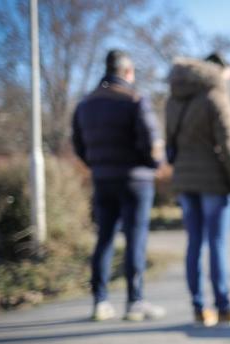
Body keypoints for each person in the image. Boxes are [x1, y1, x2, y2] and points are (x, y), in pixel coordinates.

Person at [72, 49, 165, 322]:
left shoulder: (85, 104)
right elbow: (152, 143)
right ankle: (135, 302)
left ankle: (100, 302)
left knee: (104, 238)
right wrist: (154, 165)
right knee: (135, 239)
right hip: (135, 181)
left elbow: (78, 145)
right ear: (127, 72)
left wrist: (96, 165)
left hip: (102, 179)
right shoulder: (134, 100)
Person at [166, 53, 230, 327]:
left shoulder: (174, 98)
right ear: (221, 72)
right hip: (213, 181)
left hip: (184, 180)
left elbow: (169, 144)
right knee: (216, 244)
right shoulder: (216, 96)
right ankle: (224, 308)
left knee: (194, 243)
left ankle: (199, 309)